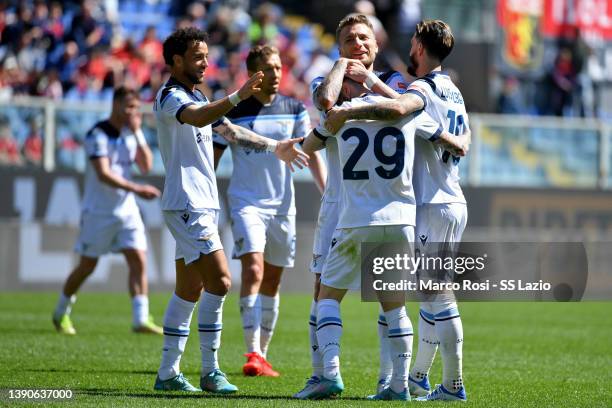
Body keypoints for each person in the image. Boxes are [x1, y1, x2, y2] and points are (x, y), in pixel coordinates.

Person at [152, 27, 308, 394]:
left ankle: (167, 373)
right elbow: (200, 117)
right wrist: (238, 95)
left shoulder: (196, 94)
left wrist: (275, 147)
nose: (205, 62)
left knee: (188, 289)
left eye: (206, 55)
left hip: (200, 203)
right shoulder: (172, 97)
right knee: (221, 281)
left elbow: (233, 134)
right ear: (176, 60)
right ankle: (210, 371)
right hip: (188, 203)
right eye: (197, 56)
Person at [323, 19, 470, 402]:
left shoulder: (420, 88)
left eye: (411, 42)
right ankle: (418, 376)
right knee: (424, 293)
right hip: (451, 198)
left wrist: (357, 103)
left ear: (419, 47)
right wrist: (451, 137)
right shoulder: (453, 91)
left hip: (429, 201)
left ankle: (453, 384)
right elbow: (458, 136)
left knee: (436, 295)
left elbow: (403, 109)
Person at [294, 13, 410, 399]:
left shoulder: (394, 84)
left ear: (377, 44)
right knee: (320, 289)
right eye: (348, 41)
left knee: (383, 295)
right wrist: (343, 68)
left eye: (363, 38)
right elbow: (324, 99)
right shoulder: (329, 81)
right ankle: (322, 372)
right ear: (338, 48)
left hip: (369, 203)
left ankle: (383, 378)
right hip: (339, 203)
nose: (357, 44)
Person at [213, 45, 326, 377]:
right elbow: (216, 156)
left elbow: (312, 152)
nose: (276, 74)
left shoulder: (293, 108)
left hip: (282, 206)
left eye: (279, 67)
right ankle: (251, 352)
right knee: (254, 271)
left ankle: (262, 355)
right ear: (253, 74)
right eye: (269, 68)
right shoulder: (234, 110)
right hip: (246, 202)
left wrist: (327, 191)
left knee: (273, 281)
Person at [52, 86, 162, 335]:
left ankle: (140, 318)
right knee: (87, 266)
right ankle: (61, 312)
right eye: (128, 107)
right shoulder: (97, 134)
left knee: (138, 259)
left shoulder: (131, 134)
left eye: (136, 108)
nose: (132, 112)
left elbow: (146, 166)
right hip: (99, 211)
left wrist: (138, 134)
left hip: (127, 210)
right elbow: (103, 174)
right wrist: (136, 188)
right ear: (115, 105)